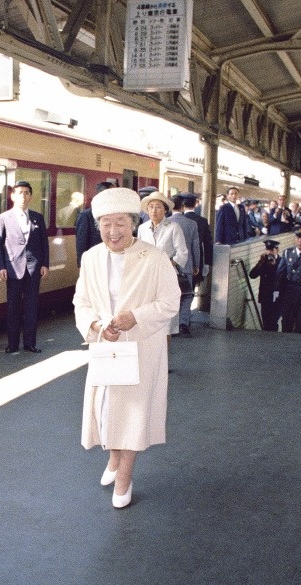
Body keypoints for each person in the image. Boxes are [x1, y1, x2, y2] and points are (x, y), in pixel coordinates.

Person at [73, 187, 180, 509]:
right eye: (105, 223)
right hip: (107, 347)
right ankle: (113, 459)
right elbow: (82, 302)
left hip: (142, 348)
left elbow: (170, 302)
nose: (113, 231)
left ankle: (124, 477)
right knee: (106, 409)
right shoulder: (91, 258)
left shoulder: (155, 258)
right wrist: (94, 326)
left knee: (132, 413)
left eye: (120, 223)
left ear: (133, 223)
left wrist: (136, 317)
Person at [0, 180, 49, 353]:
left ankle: (30, 343)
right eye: (19, 193)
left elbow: (44, 244)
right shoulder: (3, 218)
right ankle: (12, 344)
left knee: (32, 308)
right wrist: (1, 266)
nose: (23, 196)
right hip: (12, 268)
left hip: (33, 268)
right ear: (12, 196)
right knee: (13, 308)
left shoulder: (37, 217)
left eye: (26, 193)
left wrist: (45, 264)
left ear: (31, 196)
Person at [137, 191, 188, 336]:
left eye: (158, 207)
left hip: (167, 274)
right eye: (151, 207)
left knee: (167, 317)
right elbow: (139, 251)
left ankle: (166, 344)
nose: (154, 210)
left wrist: (169, 263)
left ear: (165, 209)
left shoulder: (173, 227)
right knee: (148, 311)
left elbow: (183, 253)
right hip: (147, 275)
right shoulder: (142, 228)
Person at [169, 193, 201, 335]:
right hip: (187, 265)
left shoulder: (167, 223)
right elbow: (195, 247)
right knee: (187, 295)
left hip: (170, 266)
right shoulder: (191, 224)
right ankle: (183, 324)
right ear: (182, 207)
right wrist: (196, 265)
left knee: (170, 296)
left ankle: (171, 325)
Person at [75, 181, 116, 267]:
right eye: (111, 193)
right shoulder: (86, 216)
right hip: (93, 261)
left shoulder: (113, 214)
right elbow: (81, 243)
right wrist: (82, 264)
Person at [249, 239, 281, 331]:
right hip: (265, 296)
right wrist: (260, 263)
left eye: (272, 250)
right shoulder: (263, 262)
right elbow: (252, 275)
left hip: (276, 297)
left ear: (277, 250)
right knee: (266, 322)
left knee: (273, 322)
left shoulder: (281, 261)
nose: (269, 252)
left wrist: (274, 265)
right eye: (268, 249)